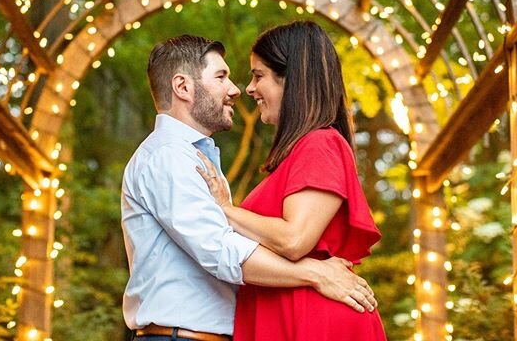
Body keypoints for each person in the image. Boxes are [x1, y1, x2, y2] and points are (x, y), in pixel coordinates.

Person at [121, 34, 377, 341]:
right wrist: (315, 273)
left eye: (256, 76)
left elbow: (285, 238)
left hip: (289, 323)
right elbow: (219, 249)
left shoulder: (196, 158)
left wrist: (229, 212)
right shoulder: (168, 156)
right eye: (221, 77)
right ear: (183, 87)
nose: (237, 89)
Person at [197, 21, 387, 340]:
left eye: (259, 76)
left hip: (312, 321)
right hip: (290, 313)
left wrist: (225, 209)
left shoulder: (320, 144)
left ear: (292, 80)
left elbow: (294, 240)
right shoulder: (297, 153)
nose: (249, 88)